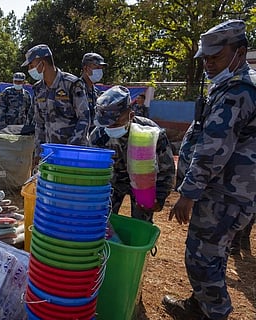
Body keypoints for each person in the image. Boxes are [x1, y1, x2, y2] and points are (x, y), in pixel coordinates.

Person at [163, 20, 256, 320]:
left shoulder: (237, 91)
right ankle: (199, 306)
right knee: (212, 256)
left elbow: (214, 149)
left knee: (201, 260)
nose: (208, 64)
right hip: (225, 193)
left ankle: (214, 312)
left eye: (215, 57)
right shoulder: (230, 86)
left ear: (239, 53)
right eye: (205, 57)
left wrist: (188, 194)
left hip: (224, 195)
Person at [89, 85, 175, 222]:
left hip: (144, 185)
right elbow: (93, 172)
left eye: (115, 122)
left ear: (131, 115)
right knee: (102, 220)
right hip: (113, 183)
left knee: (142, 222)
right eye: (106, 123)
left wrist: (160, 196)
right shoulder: (98, 136)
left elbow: (167, 168)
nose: (110, 127)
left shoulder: (150, 133)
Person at [21, 44, 90, 167]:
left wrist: (71, 149)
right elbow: (39, 123)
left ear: (42, 63)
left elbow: (84, 118)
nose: (29, 69)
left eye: (31, 65)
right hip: (49, 154)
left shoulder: (71, 84)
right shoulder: (38, 88)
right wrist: (38, 152)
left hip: (73, 152)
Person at [81, 52, 107, 132]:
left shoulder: (96, 92)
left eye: (101, 68)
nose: (99, 71)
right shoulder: (75, 88)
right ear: (85, 68)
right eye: (96, 67)